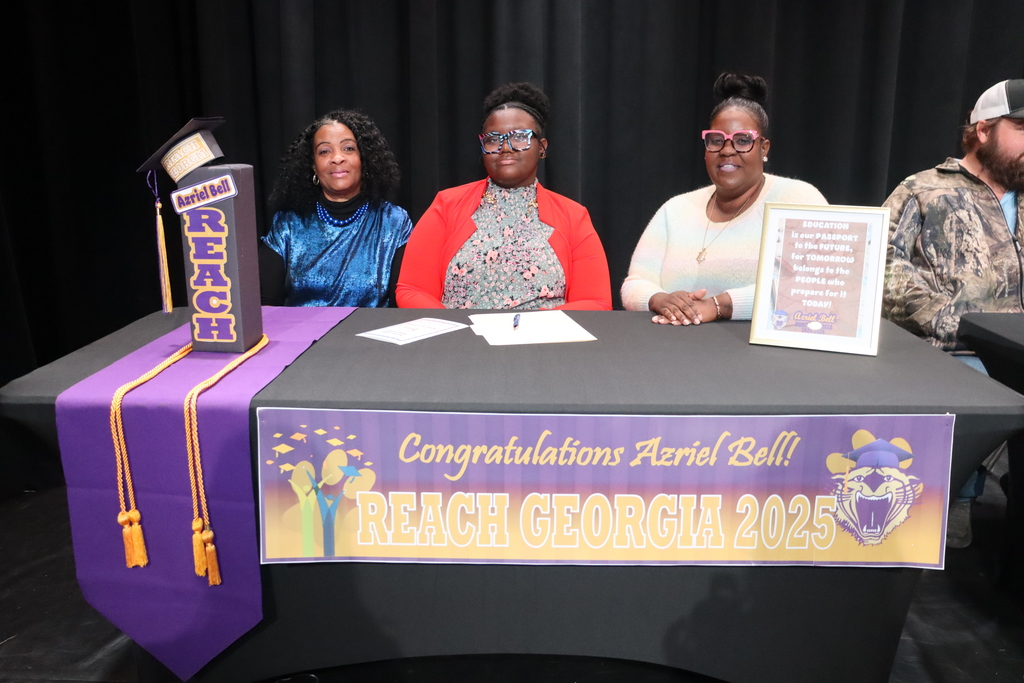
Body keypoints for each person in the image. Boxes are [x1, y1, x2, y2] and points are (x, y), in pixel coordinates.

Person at [882, 79, 1024, 547]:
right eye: (1022, 128)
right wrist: (945, 318)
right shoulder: (924, 190)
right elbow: (880, 265)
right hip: (953, 351)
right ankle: (956, 501)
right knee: (972, 394)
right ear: (983, 130)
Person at [621, 73, 827, 324]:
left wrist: (720, 306)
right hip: (671, 348)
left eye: (743, 141)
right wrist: (660, 299)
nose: (727, 150)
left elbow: (811, 288)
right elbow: (635, 283)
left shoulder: (798, 200)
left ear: (764, 148)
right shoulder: (675, 209)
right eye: (716, 141)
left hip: (755, 355)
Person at [396, 82, 612, 310]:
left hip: (542, 341)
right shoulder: (447, 205)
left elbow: (594, 302)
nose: (505, 147)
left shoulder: (573, 216)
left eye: (519, 137)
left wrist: (527, 331)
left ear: (542, 147)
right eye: (493, 139)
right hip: (460, 340)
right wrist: (455, 333)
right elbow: (412, 290)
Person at [261, 109, 412, 307]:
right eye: (325, 151)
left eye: (348, 148)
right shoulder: (288, 223)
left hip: (367, 335)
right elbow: (265, 306)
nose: (337, 158)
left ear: (364, 160)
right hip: (303, 336)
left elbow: (402, 304)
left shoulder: (393, 221)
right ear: (314, 166)